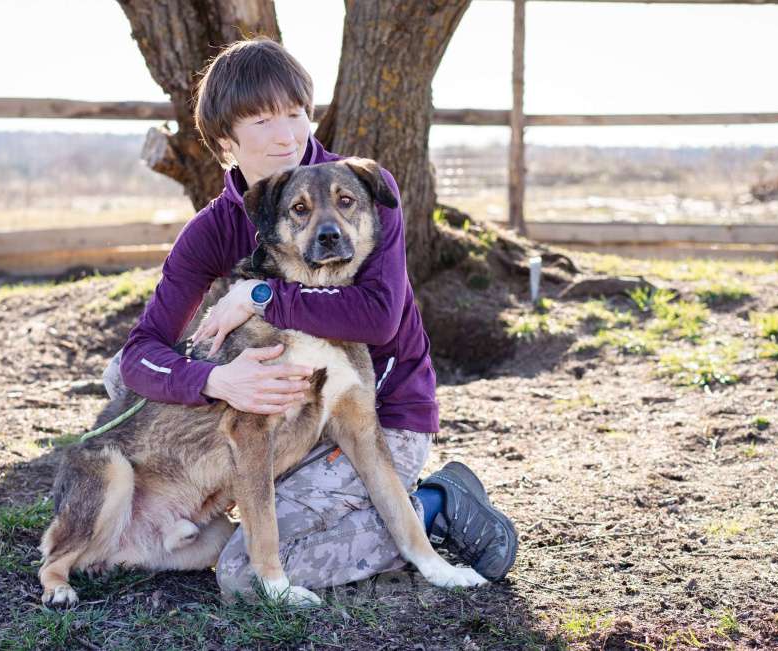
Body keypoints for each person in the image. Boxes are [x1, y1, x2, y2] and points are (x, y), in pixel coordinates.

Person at [102, 37, 517, 601]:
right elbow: (140, 351)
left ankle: (434, 506)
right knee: (119, 378)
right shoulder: (215, 229)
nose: (287, 135)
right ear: (227, 140)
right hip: (280, 429)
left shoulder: (355, 191)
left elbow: (377, 317)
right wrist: (214, 380)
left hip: (378, 417)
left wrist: (259, 297)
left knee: (244, 575)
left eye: (296, 114)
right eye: (262, 120)